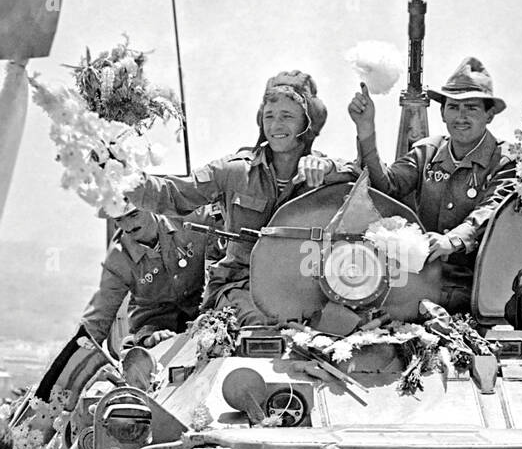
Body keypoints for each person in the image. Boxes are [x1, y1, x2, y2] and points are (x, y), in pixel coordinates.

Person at [124, 71, 357, 325]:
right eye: (269, 116)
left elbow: (370, 179)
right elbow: (171, 194)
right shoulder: (234, 172)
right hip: (241, 289)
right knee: (265, 329)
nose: (276, 126)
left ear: (307, 123)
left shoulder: (324, 173)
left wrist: (331, 169)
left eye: (287, 116)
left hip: (307, 291)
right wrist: (118, 174)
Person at [348, 57, 518, 313]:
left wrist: (452, 240)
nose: (461, 117)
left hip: (480, 291)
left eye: (471, 108)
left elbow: (491, 212)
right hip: (421, 285)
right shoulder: (427, 152)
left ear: (489, 115)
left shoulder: (505, 161)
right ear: (442, 112)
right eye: (453, 107)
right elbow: (385, 186)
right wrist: (366, 131)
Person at [80, 207, 213, 348]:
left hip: (206, 311)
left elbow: (230, 227)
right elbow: (99, 314)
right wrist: (76, 352)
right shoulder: (118, 257)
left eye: (134, 214)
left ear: (149, 204)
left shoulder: (190, 217)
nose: (128, 226)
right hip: (155, 327)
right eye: (119, 219)